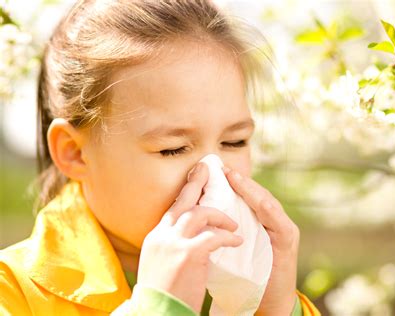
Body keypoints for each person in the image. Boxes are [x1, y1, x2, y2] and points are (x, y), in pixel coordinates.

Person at [0, 1, 321, 315]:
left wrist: (275, 308)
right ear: (75, 153)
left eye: (234, 142)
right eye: (173, 149)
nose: (213, 176)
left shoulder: (248, 282)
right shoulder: (12, 292)